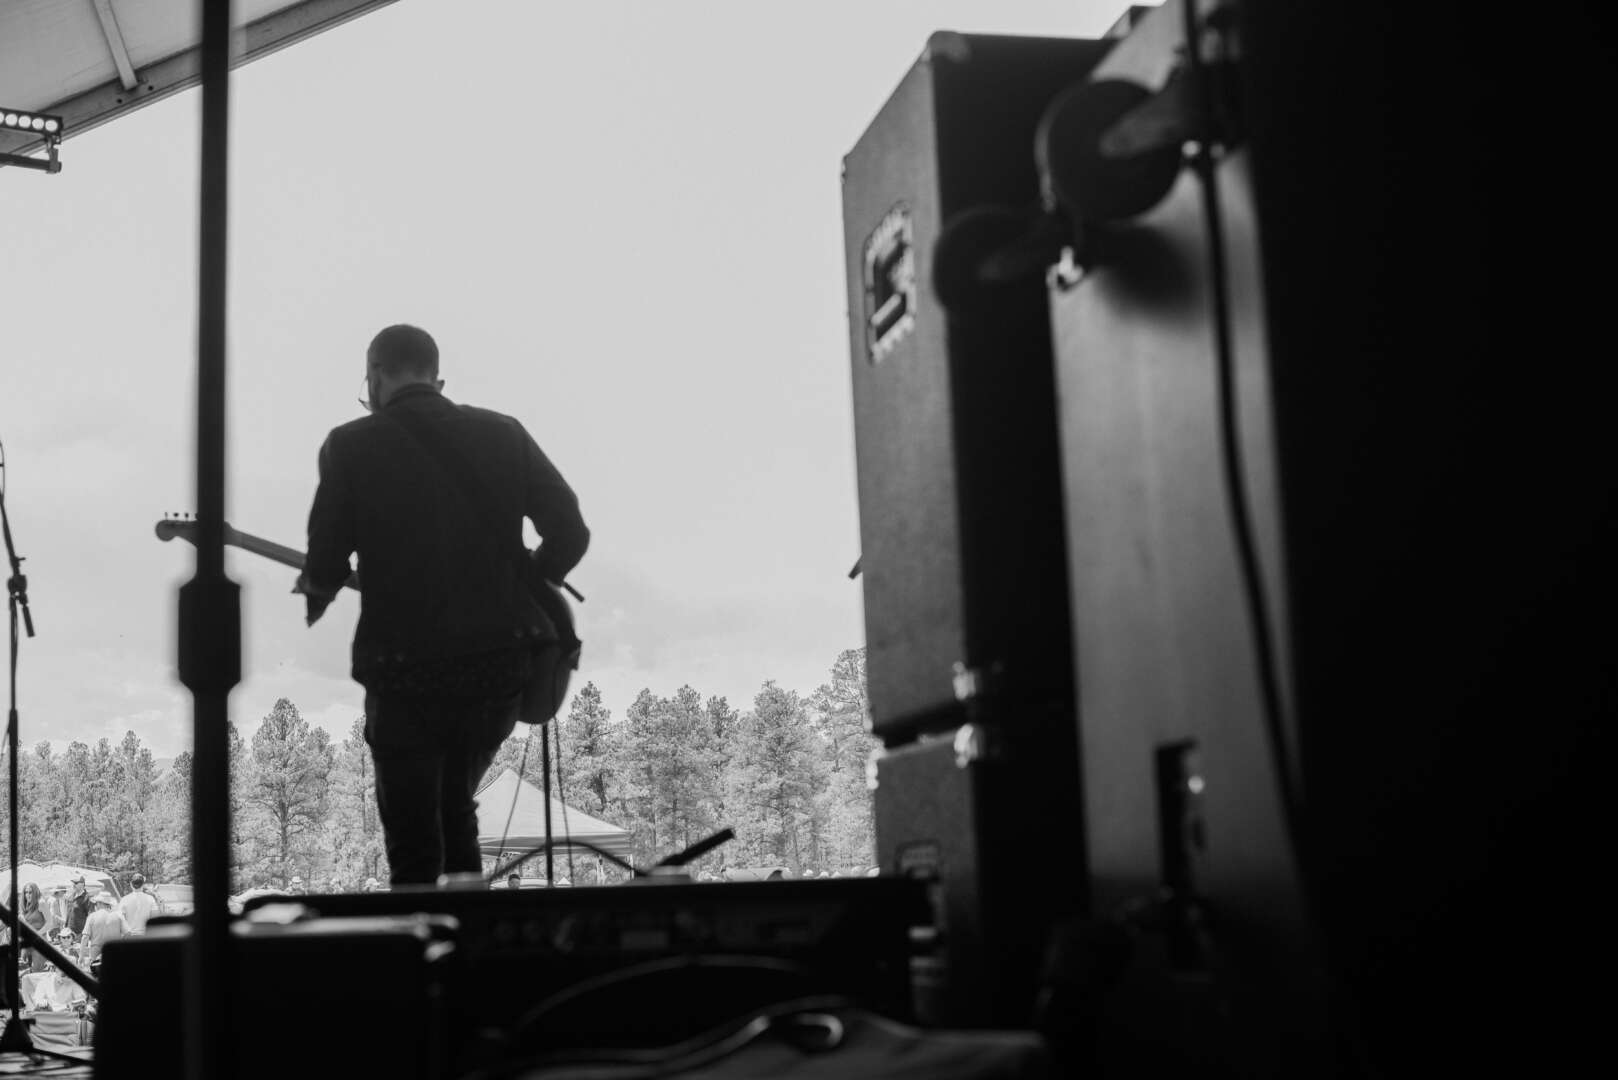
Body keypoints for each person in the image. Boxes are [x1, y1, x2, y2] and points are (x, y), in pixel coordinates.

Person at [297, 324, 589, 886]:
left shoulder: (351, 445)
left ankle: (421, 930)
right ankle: (466, 932)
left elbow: (326, 562)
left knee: (412, 832)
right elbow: (570, 532)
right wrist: (524, 579)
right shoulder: (504, 434)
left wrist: (315, 590)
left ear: (375, 376)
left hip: (404, 669)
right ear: (437, 380)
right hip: (497, 666)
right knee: (455, 805)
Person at [78, 892, 126, 967]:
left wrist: (81, 956)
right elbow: (127, 934)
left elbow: (85, 937)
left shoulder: (92, 916)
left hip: (95, 956)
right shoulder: (118, 916)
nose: (96, 905)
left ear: (100, 903)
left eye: (96, 903)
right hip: (114, 954)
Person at [66, 876, 92, 940]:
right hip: (68, 932)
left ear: (82, 884)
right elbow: (68, 913)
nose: (74, 885)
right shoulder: (71, 896)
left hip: (80, 934)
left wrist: (85, 933)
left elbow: (90, 917)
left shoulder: (87, 898)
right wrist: (66, 926)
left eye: (76, 883)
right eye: (73, 883)